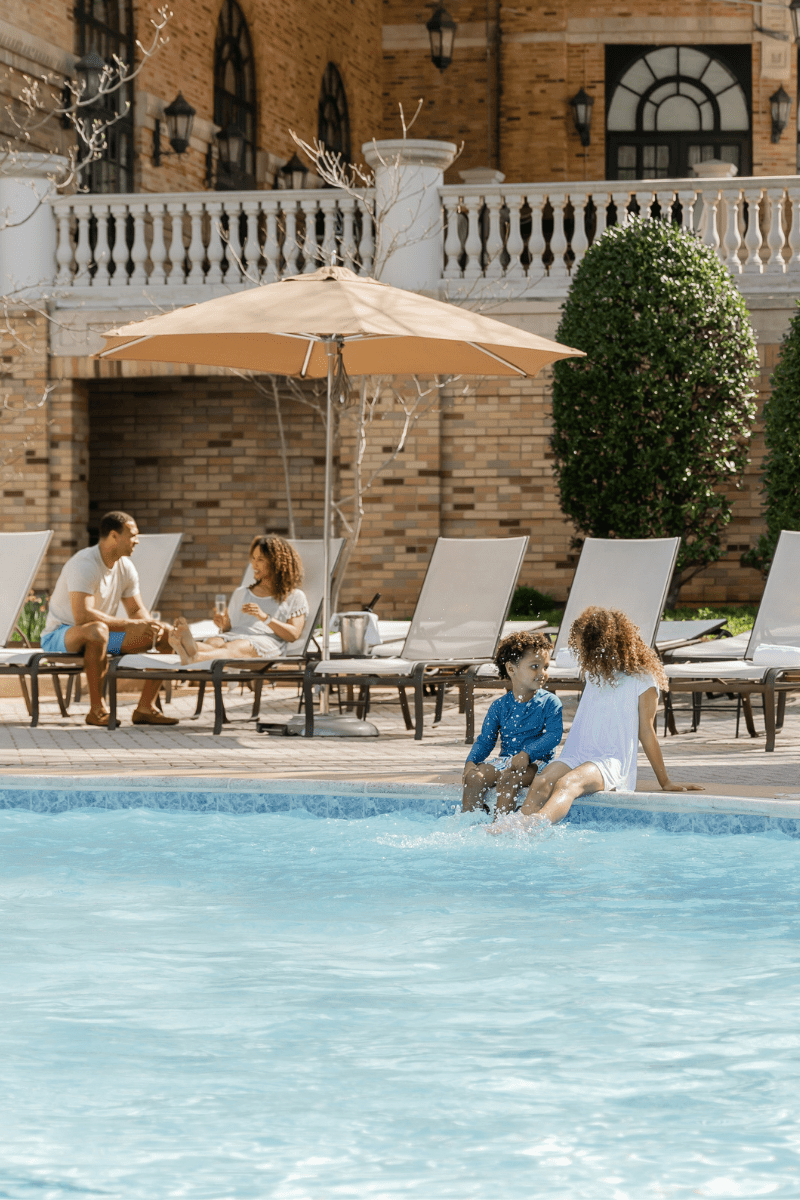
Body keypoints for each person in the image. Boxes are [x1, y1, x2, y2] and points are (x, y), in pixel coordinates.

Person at [500, 606, 704, 829]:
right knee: (542, 781)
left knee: (567, 784)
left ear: (603, 644)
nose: (579, 652)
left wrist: (665, 781)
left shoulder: (644, 680)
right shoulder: (593, 672)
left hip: (610, 758)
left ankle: (534, 826)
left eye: (583, 647)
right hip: (578, 752)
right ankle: (513, 826)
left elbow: (646, 731)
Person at [40, 511, 178, 728]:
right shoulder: (84, 563)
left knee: (167, 634)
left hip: (102, 640)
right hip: (63, 636)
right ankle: (97, 710)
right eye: (132, 535)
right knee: (97, 631)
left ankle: (145, 708)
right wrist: (134, 624)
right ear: (114, 536)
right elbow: (82, 616)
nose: (137, 540)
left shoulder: (125, 567)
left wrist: (152, 627)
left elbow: (135, 610)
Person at [462, 631, 563, 816]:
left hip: (537, 763)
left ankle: (501, 828)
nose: (542, 673)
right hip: (507, 760)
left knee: (509, 779)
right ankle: (468, 826)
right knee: (474, 777)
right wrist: (471, 761)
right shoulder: (499, 706)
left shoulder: (550, 702)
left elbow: (554, 735)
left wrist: (527, 753)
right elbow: (486, 740)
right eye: (534, 666)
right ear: (511, 669)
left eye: (545, 667)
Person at [169, 534, 308, 664]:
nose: (254, 564)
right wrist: (224, 625)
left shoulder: (295, 596)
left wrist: (264, 617)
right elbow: (232, 628)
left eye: (260, 559)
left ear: (276, 563)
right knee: (214, 642)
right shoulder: (242, 593)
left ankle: (195, 656)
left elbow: (293, 635)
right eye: (253, 559)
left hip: (266, 641)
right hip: (234, 635)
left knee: (236, 646)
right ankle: (188, 646)